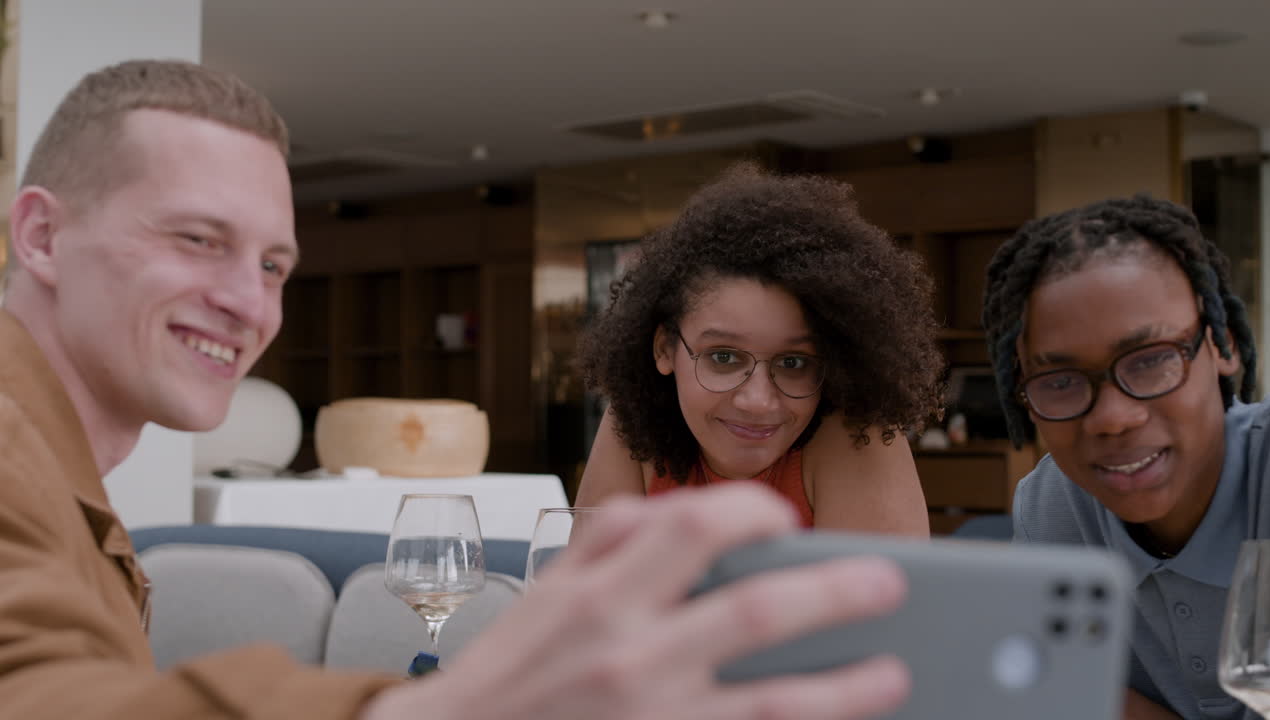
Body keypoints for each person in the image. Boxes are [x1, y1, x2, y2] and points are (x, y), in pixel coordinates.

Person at [0, 59, 914, 720]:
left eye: (275, 263)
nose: (250, 301)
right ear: (40, 237)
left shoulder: (52, 467)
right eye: (198, 239)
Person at [981, 194, 1270, 720]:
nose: (1112, 418)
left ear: (1222, 346)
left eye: (1151, 361)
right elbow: (1072, 690)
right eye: (1061, 381)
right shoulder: (1053, 507)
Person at [575, 164, 943, 535]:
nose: (758, 402)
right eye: (723, 357)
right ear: (664, 349)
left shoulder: (855, 431)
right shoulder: (638, 420)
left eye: (793, 362)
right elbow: (586, 587)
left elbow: (877, 593)